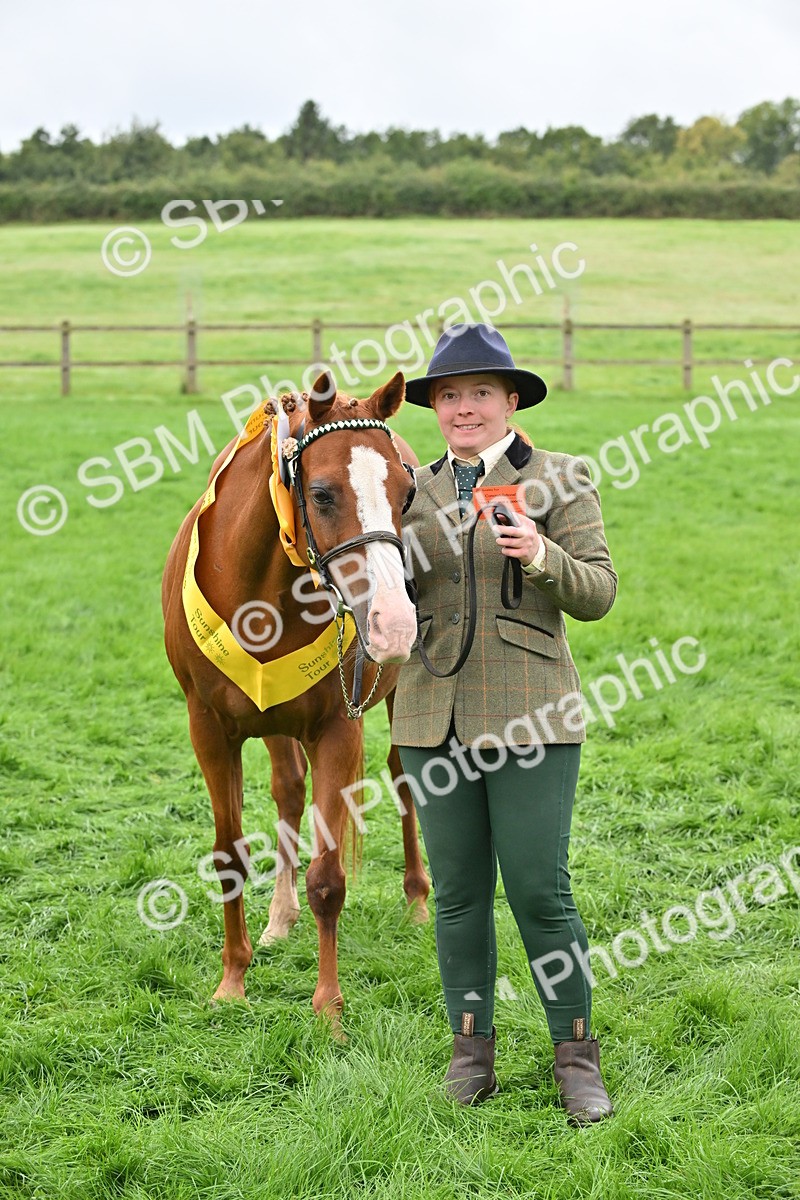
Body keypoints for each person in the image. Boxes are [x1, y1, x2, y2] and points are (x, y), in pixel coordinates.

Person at [391, 323, 617, 1124]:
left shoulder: (559, 479)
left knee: (538, 892)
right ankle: (470, 1052)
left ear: (510, 400)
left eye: (479, 393)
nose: (462, 408)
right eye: (448, 396)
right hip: (428, 713)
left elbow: (598, 594)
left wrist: (540, 555)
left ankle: (576, 1058)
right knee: (456, 895)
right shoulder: (409, 487)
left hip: (532, 714)